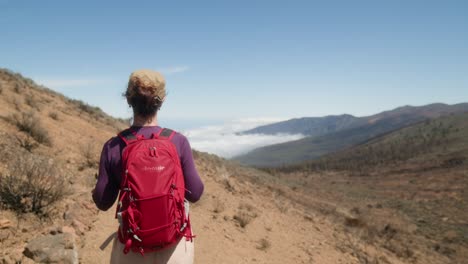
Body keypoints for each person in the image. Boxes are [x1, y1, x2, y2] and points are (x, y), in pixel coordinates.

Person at [92, 69, 204, 264]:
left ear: (128, 99)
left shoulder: (114, 146)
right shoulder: (178, 142)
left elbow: (103, 202)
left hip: (133, 247)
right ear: (162, 101)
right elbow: (195, 193)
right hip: (175, 247)